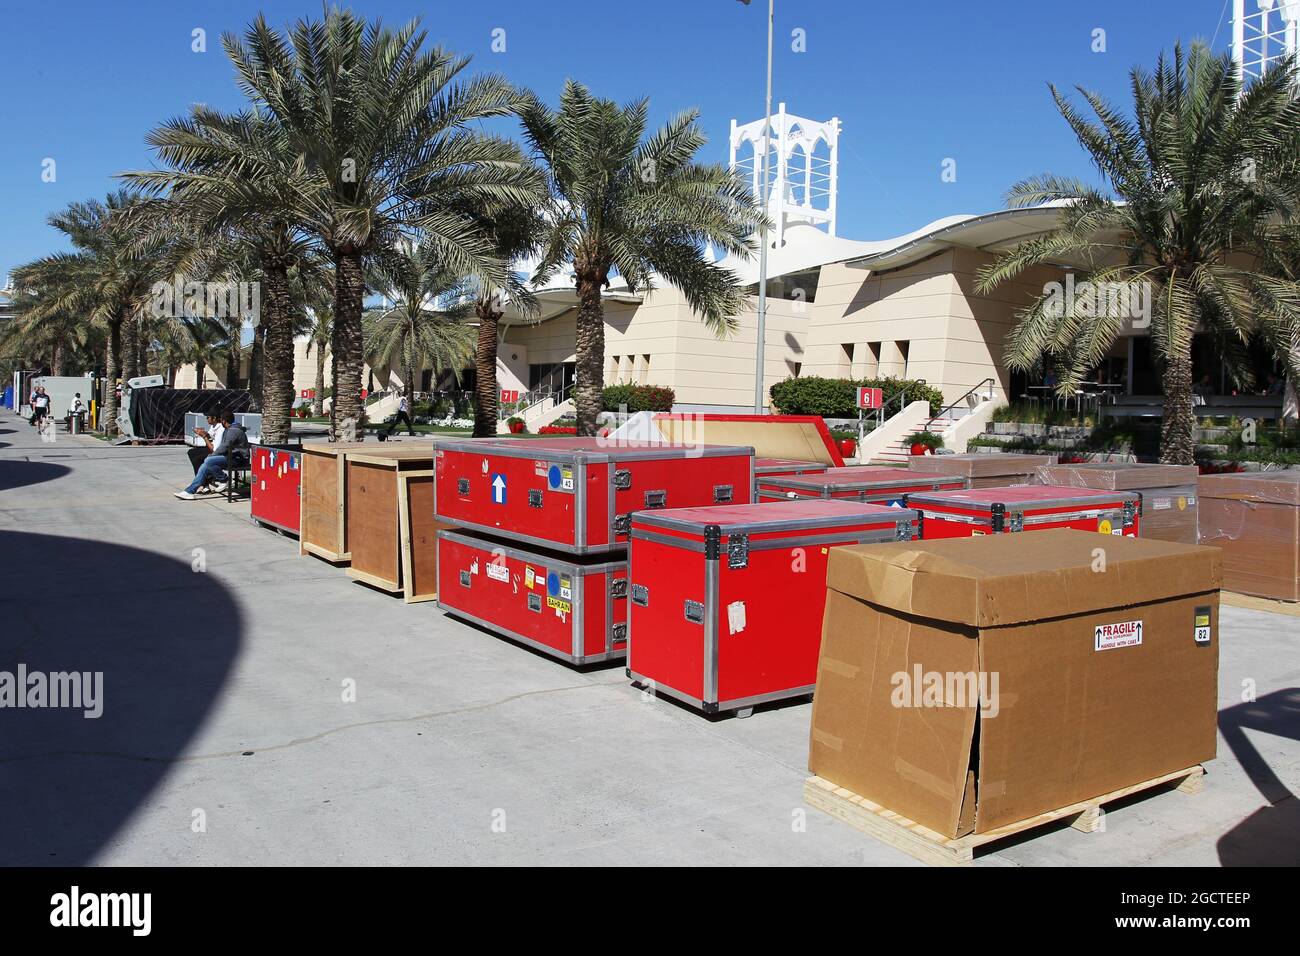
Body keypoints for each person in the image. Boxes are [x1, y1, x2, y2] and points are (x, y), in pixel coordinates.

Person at [174, 411, 248, 499]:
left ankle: (224, 479)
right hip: (232, 456)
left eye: (221, 420)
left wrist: (212, 455)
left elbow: (224, 447)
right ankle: (189, 491)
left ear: (224, 421)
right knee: (205, 465)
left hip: (238, 459)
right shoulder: (230, 429)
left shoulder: (233, 431)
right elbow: (223, 447)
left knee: (208, 460)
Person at [188, 413, 224, 480]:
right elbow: (210, 437)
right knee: (191, 452)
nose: (207, 419)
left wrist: (204, 436)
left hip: (216, 452)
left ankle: (202, 479)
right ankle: (202, 477)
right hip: (211, 448)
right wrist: (203, 433)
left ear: (214, 418)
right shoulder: (213, 426)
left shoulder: (220, 428)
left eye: (208, 417)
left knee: (197, 458)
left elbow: (214, 449)